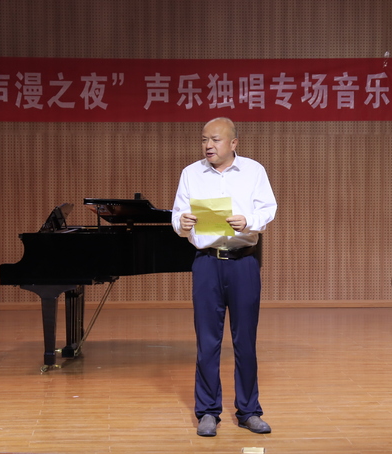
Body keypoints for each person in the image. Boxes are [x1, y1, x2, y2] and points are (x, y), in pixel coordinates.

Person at [172, 117, 277, 437]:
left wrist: (249, 221)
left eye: (215, 140)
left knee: (245, 341)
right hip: (207, 263)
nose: (208, 146)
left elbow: (268, 209)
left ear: (233, 143)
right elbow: (177, 216)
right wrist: (182, 224)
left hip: (243, 262)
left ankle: (249, 411)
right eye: (204, 139)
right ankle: (207, 411)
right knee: (207, 342)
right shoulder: (191, 173)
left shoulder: (254, 171)